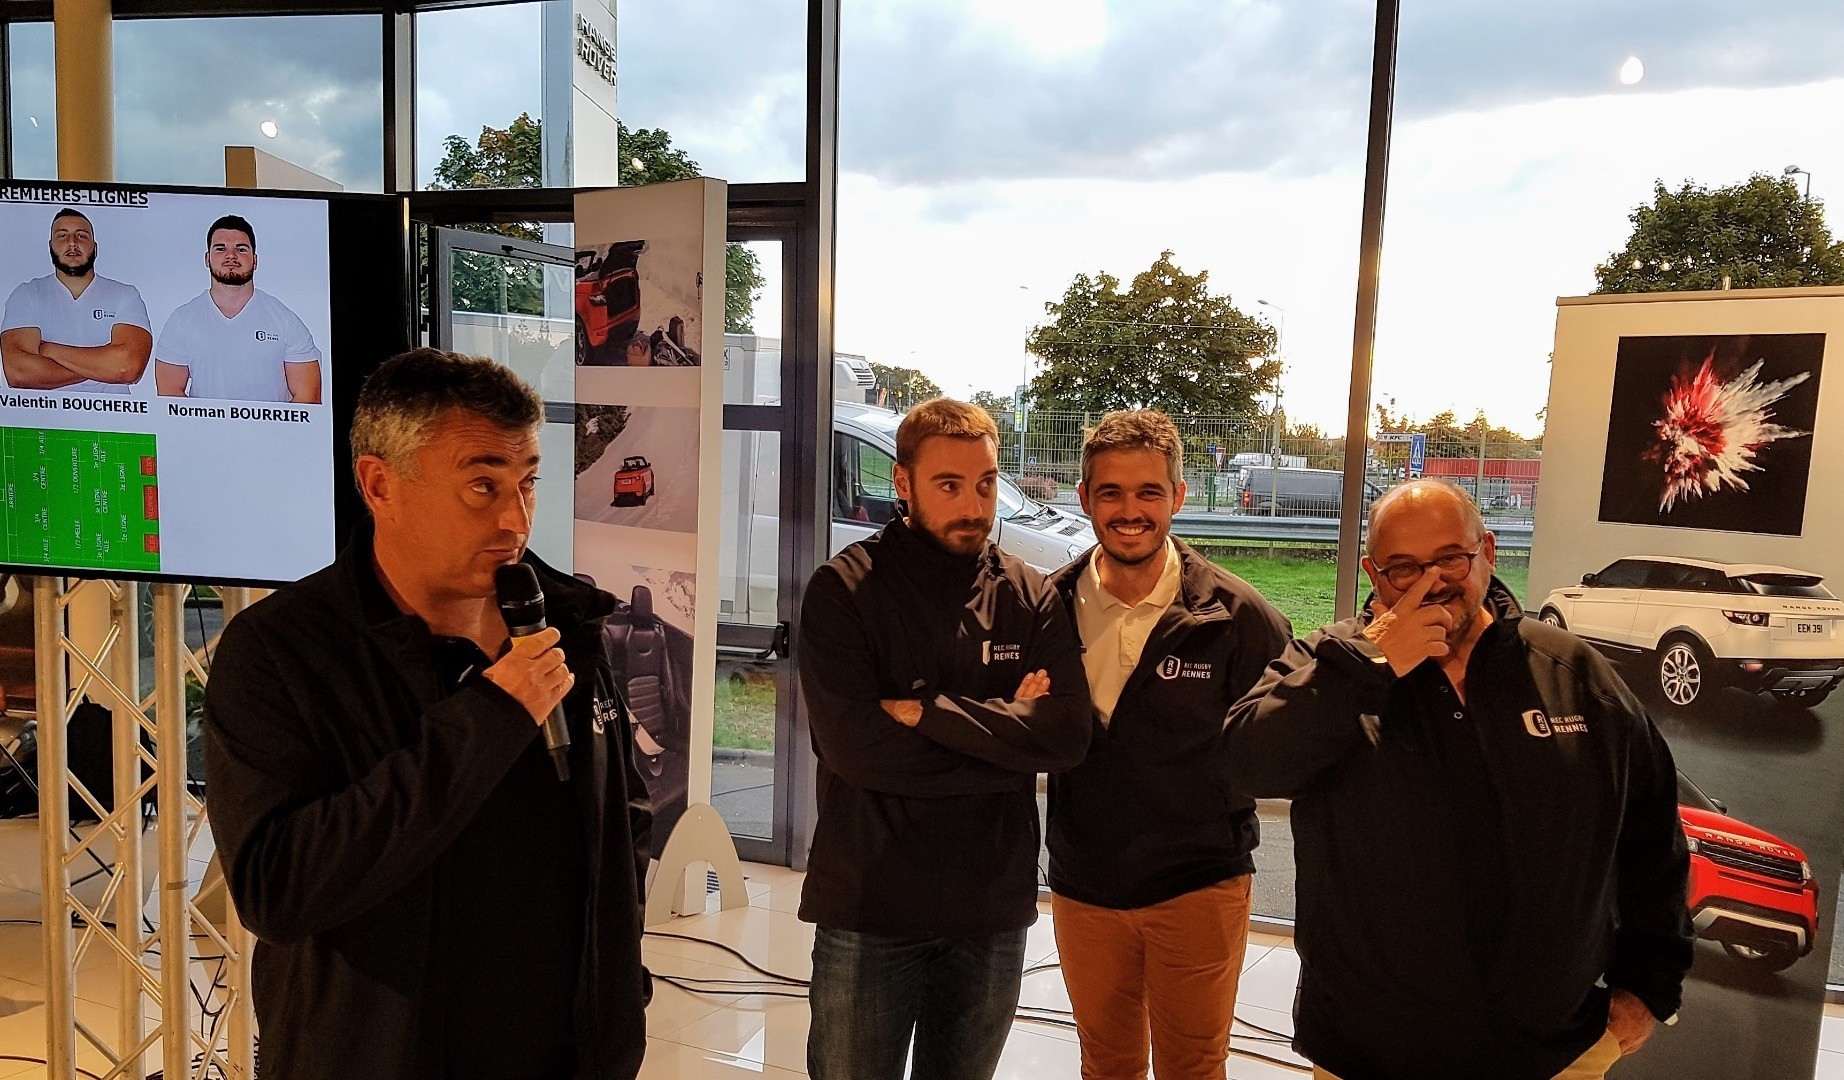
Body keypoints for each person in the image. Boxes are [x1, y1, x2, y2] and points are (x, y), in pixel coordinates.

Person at [204, 348, 649, 1080]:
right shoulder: (282, 652)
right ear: (380, 485)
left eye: (527, 482)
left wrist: (619, 985)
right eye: (482, 485)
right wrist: (492, 716)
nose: (515, 518)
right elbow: (277, 889)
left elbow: (621, 817)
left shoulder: (563, 624)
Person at [1224, 480, 1691, 1080]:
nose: (1432, 582)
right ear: (1372, 573)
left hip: (1553, 1049)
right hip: (1370, 1049)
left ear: (1487, 552)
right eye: (1403, 568)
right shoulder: (1330, 662)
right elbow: (1244, 763)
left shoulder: (1571, 672)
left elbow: (1651, 835)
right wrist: (1373, 663)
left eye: (1451, 558)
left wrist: (1650, 985)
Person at [797, 396, 1092, 1080]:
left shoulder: (1030, 595)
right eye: (950, 485)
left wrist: (927, 714)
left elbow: (1066, 736)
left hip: (990, 907)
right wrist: (1006, 734)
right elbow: (855, 750)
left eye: (986, 484)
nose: (974, 505)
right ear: (903, 484)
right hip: (871, 903)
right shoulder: (844, 591)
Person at [1045, 410, 1292, 1080]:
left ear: (1178, 496)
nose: (1130, 511)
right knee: (1106, 1063)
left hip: (1198, 887)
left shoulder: (1238, 617)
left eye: (1149, 492)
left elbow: (1282, 741)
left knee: (1194, 1067)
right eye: (1111, 493)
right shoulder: (1047, 607)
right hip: (1084, 885)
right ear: (1085, 498)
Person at [155, 214, 323, 403]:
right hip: (207, 424)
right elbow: (169, 395)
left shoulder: (284, 320)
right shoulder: (182, 320)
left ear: (255, 260)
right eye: (221, 248)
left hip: (268, 424)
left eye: (241, 249)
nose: (231, 256)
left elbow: (308, 397)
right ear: (207, 258)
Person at [0, 208, 152, 393]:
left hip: (111, 411)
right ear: (51, 246)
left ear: (95, 247)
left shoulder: (124, 294)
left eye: (81, 236)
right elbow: (19, 372)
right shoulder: (27, 294)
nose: (72, 242)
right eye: (62, 236)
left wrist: (49, 349)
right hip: (46, 411)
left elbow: (127, 367)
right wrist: (103, 366)